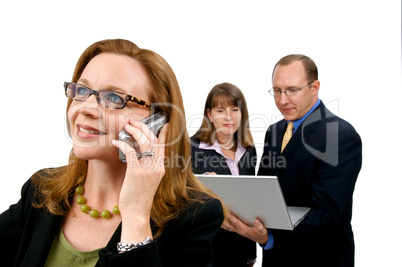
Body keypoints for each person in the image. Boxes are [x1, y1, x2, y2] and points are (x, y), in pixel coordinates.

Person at [0, 39, 225, 267]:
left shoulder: (194, 216)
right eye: (82, 90)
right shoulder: (41, 189)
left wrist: (136, 216)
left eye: (114, 98)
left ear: (158, 121)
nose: (85, 108)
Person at [222, 54, 362, 267]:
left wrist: (269, 238)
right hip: (276, 258)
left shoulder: (339, 135)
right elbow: (263, 192)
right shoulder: (275, 132)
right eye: (277, 91)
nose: (283, 100)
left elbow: (326, 215)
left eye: (292, 90)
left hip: (321, 259)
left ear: (314, 87)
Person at [191, 82, 257, 266]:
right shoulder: (191, 149)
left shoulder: (249, 150)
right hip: (207, 253)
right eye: (221, 110)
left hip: (242, 252)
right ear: (209, 115)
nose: (229, 117)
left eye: (235, 109)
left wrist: (251, 253)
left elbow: (250, 203)